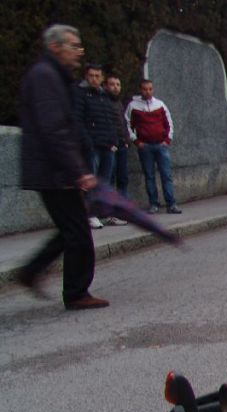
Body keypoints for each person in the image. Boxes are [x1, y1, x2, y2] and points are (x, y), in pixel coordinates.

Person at [16, 24, 108, 310]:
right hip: (53, 170)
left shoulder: (53, 77)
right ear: (55, 47)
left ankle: (31, 271)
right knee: (77, 230)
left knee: (71, 227)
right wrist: (77, 170)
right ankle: (76, 292)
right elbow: (54, 128)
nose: (78, 52)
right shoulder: (45, 77)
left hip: (53, 168)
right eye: (73, 46)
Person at [126, 79, 180, 214]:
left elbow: (169, 123)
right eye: (145, 89)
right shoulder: (133, 106)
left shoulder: (160, 105)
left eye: (150, 89)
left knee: (166, 175)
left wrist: (167, 139)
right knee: (149, 175)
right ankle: (153, 203)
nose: (148, 92)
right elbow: (127, 125)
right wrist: (136, 141)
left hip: (161, 144)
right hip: (145, 146)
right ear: (141, 89)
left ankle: (171, 203)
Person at [74, 63, 117, 229]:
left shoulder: (104, 95)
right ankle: (90, 215)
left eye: (97, 76)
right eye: (91, 75)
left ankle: (102, 213)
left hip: (107, 146)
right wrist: (87, 143)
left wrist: (114, 141)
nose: (94, 79)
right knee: (91, 182)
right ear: (86, 76)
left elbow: (111, 120)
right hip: (92, 146)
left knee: (104, 182)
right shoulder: (81, 94)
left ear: (102, 78)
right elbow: (77, 120)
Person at [104, 73, 131, 203]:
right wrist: (110, 142)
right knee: (110, 177)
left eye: (118, 84)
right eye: (112, 84)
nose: (115, 87)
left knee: (123, 177)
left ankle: (123, 206)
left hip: (122, 144)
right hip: (111, 145)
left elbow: (123, 123)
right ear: (106, 86)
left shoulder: (119, 103)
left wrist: (126, 140)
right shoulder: (104, 102)